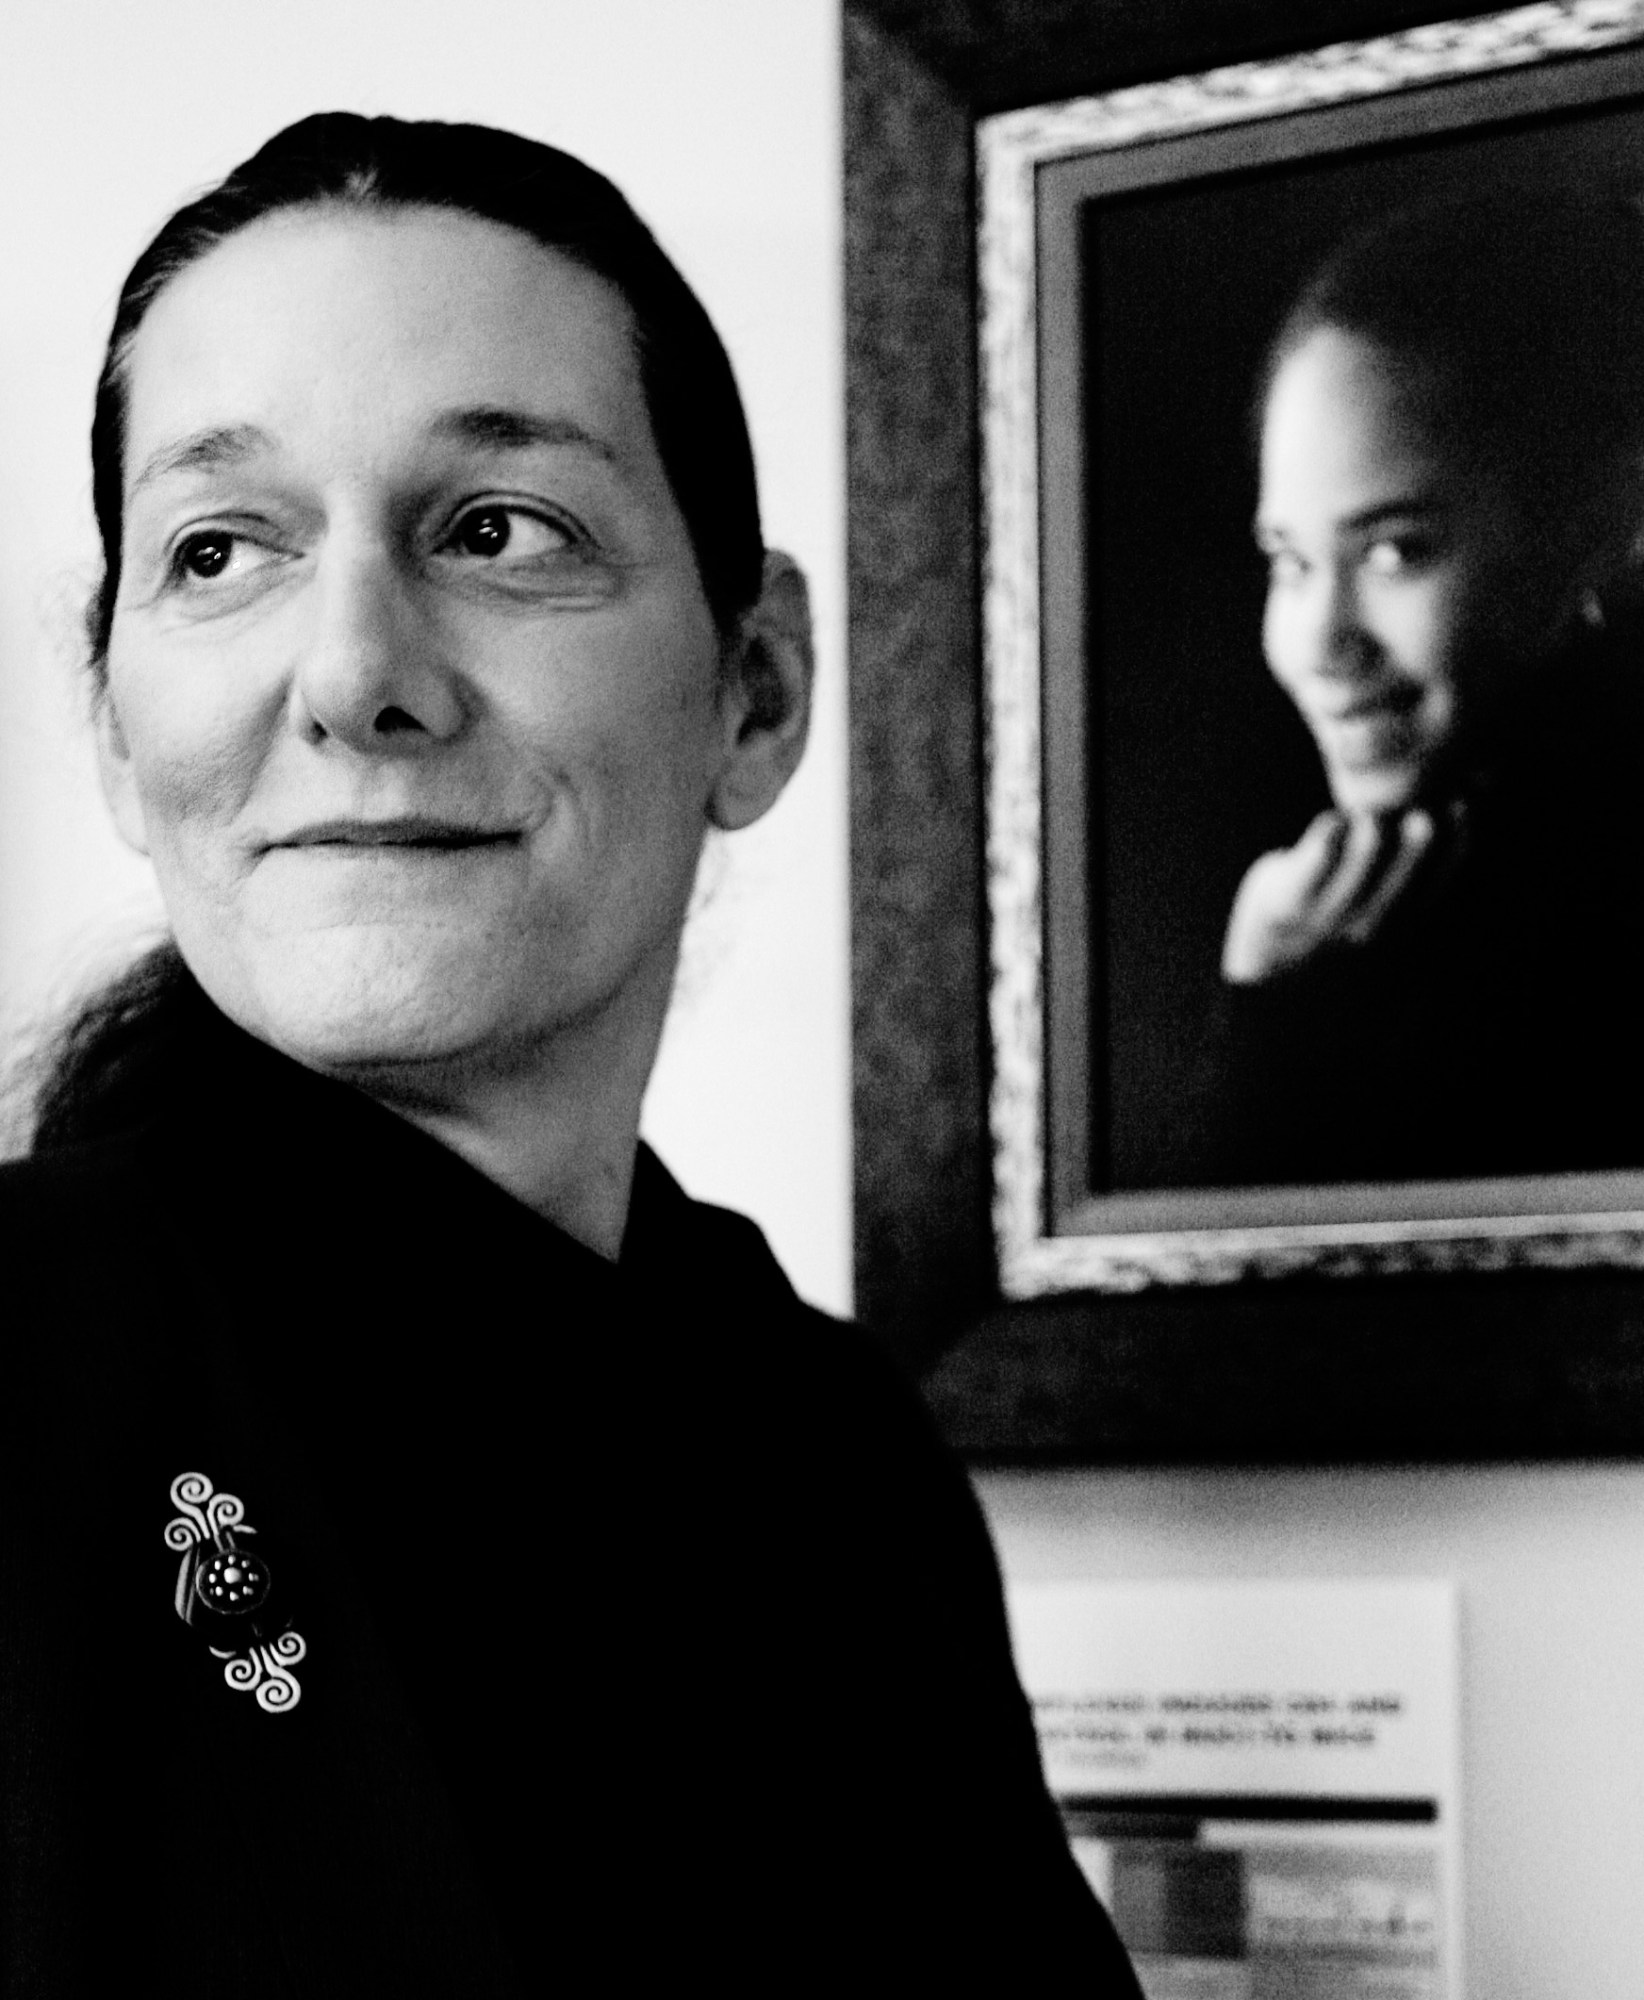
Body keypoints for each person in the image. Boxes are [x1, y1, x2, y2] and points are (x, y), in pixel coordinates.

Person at [0, 115, 1141, 1994]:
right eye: (220, 549)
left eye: (496, 532)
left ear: (752, 689)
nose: (354, 671)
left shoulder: (833, 1456)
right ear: (117, 730)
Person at [1207, 189, 1644, 1186]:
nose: (1321, 641)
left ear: (1591, 527)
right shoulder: (1353, 909)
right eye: (1291, 560)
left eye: (1397, 550)